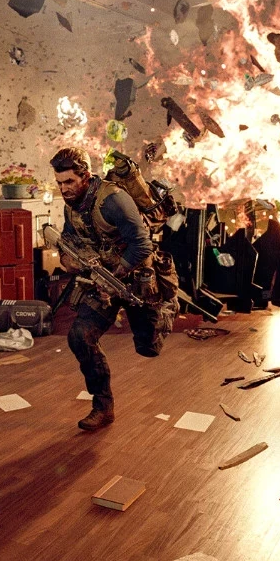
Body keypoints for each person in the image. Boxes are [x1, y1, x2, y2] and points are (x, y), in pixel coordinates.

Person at [52, 147, 178, 431]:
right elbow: (70, 239)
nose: (64, 188)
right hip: (101, 279)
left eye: (69, 181)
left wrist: (113, 278)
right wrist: (70, 261)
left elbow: (142, 245)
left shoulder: (113, 200)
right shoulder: (71, 205)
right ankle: (103, 406)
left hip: (135, 279)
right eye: (59, 183)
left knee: (149, 347)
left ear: (85, 176)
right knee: (79, 336)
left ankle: (166, 306)